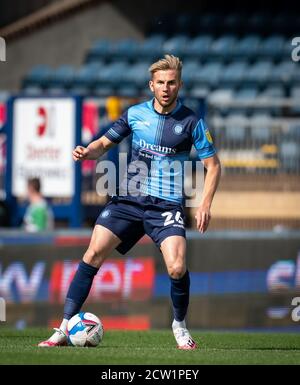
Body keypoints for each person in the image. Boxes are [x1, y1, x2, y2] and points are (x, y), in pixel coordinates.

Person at [38, 54, 221, 349]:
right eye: (160, 82)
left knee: (176, 267)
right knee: (93, 253)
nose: (165, 88)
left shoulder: (192, 122)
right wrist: (88, 151)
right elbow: (103, 144)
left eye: (171, 82)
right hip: (129, 201)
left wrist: (205, 204)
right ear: (151, 85)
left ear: (179, 85)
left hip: (166, 206)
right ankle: (62, 329)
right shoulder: (135, 114)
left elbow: (213, 166)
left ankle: (180, 325)